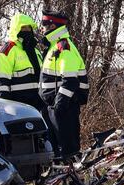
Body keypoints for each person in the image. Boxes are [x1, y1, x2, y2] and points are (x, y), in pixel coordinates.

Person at [39, 10, 89, 159]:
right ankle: (62, 179)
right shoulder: (54, 47)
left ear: (52, 26)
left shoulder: (64, 48)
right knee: (57, 151)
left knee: (69, 150)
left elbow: (70, 82)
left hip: (64, 108)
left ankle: (75, 181)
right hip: (54, 107)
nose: (41, 28)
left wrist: (59, 106)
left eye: (44, 25)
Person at [0, 13, 44, 111]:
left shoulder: (35, 51)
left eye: (29, 28)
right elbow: (1, 83)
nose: (27, 31)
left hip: (38, 106)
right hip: (17, 107)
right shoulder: (6, 51)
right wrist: (5, 108)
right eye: (23, 28)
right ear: (16, 29)